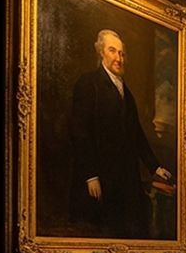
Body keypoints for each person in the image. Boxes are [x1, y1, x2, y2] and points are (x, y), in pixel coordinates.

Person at [69, 29, 173, 238]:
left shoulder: (126, 91)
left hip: (126, 175)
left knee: (131, 231)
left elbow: (136, 134)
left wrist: (155, 166)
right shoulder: (89, 83)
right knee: (103, 232)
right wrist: (91, 175)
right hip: (101, 175)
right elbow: (80, 133)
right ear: (101, 52)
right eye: (112, 51)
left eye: (121, 53)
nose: (118, 57)